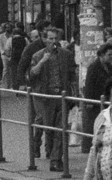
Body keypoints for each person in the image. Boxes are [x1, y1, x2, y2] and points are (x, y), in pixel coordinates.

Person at [28, 27, 77, 171]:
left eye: (56, 39)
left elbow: (72, 75)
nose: (53, 42)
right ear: (44, 39)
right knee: (48, 127)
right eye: (50, 38)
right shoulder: (37, 55)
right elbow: (32, 75)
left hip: (61, 96)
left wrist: (73, 93)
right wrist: (43, 61)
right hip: (45, 98)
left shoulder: (66, 54)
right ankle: (47, 150)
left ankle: (56, 160)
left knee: (61, 129)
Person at [81, 43, 112, 154]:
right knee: (93, 124)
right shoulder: (94, 67)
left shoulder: (109, 67)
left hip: (106, 100)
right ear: (102, 54)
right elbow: (89, 84)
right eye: (109, 55)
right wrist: (89, 101)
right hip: (95, 100)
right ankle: (89, 147)